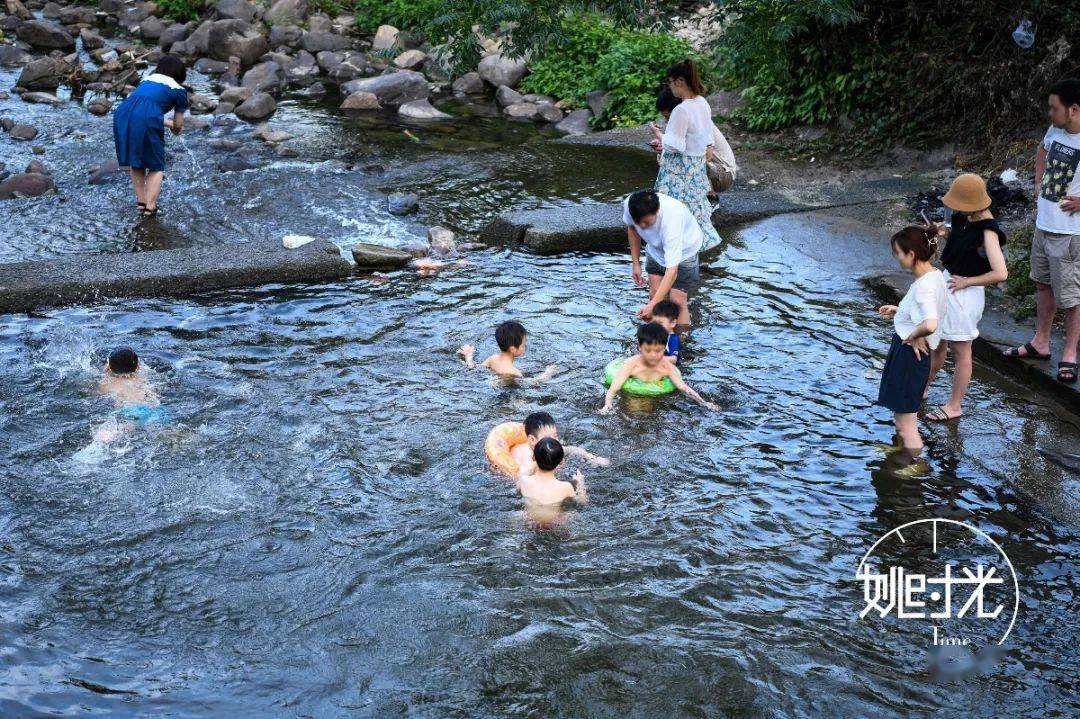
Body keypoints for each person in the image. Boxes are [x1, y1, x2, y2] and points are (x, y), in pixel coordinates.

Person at [1004, 78, 1080, 383]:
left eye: (1054, 108)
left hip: (1070, 233)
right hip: (1044, 225)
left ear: (1074, 109)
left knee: (1072, 298)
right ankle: (1041, 342)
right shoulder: (1056, 131)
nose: (1050, 113)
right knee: (1042, 284)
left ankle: (1071, 353)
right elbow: (1041, 149)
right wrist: (1038, 184)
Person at [924, 174, 1008, 421]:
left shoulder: (988, 231)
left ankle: (954, 405)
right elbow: (962, 240)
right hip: (949, 282)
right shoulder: (964, 218)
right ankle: (924, 386)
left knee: (961, 351)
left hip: (965, 291)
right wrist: (942, 233)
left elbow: (1000, 272)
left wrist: (967, 282)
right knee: (936, 341)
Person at [875, 227, 947, 456]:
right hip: (913, 355)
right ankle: (900, 449)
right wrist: (901, 312)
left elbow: (931, 323)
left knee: (906, 422)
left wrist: (914, 335)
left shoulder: (923, 287)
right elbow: (927, 312)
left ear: (912, 255)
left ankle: (913, 463)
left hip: (909, 356)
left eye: (898, 252)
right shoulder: (935, 275)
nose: (896, 257)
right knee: (903, 413)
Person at [649, 59, 722, 252]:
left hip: (678, 173)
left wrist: (660, 136)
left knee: (672, 215)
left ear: (680, 81)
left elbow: (676, 145)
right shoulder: (702, 103)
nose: (670, 87)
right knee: (694, 215)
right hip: (696, 171)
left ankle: (677, 261)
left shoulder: (681, 109)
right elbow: (705, 138)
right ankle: (695, 258)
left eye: (670, 83)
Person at [113, 55, 189, 218]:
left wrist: (167, 124)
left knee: (137, 161)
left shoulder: (147, 81)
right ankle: (151, 207)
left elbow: (143, 109)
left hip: (123, 113)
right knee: (156, 166)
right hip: (144, 117)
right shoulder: (179, 90)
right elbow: (178, 124)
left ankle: (141, 203)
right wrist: (176, 129)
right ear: (180, 74)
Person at [623, 189, 703, 328]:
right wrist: (636, 264)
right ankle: (656, 339)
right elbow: (632, 229)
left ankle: (681, 341)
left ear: (657, 211)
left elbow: (672, 271)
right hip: (655, 250)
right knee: (655, 296)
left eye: (646, 222)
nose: (642, 226)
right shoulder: (631, 205)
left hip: (685, 252)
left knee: (677, 301)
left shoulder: (672, 218)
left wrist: (651, 306)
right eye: (638, 221)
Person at [600, 322, 718, 412]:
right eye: (648, 350)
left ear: (664, 348)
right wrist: (607, 406)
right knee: (635, 408)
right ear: (640, 347)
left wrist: (704, 403)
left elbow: (683, 387)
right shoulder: (631, 364)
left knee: (650, 411)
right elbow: (614, 388)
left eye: (658, 351)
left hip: (655, 397)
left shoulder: (666, 367)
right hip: (632, 395)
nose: (653, 355)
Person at [652, 87, 737, 200]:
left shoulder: (699, 120)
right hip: (711, 169)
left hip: (723, 174)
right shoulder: (680, 123)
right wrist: (664, 147)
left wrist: (661, 137)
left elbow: (707, 155)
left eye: (668, 117)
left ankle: (710, 197)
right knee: (668, 156)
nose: (666, 121)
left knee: (687, 161)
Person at [510, 411, 609, 478]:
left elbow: (572, 449)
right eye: (549, 437)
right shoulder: (524, 455)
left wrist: (591, 458)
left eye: (555, 436)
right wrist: (536, 465)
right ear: (532, 439)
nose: (555, 441)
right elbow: (520, 477)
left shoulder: (550, 447)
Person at [458, 320, 557, 382]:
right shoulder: (514, 372)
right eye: (524, 344)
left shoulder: (493, 358)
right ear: (513, 349)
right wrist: (548, 373)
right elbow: (533, 382)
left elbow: (474, 370)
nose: (525, 346)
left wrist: (469, 358)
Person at [516, 437, 587, 510]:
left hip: (527, 519)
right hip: (556, 521)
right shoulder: (566, 487)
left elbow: (518, 489)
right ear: (562, 461)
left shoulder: (523, 481)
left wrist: (529, 471)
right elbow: (582, 502)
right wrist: (581, 483)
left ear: (533, 457)